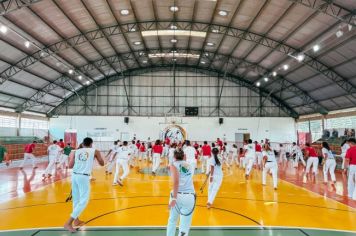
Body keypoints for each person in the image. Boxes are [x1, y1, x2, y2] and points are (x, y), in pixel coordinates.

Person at [63, 137, 104, 233]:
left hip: (74, 176)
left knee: (76, 200)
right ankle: (68, 223)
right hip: (83, 177)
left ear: (83, 143)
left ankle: (76, 220)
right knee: (84, 201)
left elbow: (70, 166)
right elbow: (102, 164)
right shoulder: (95, 151)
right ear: (91, 143)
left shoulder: (76, 151)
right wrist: (97, 157)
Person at [166, 148, 195, 236]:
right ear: (184, 156)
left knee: (172, 220)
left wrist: (174, 198)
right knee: (184, 226)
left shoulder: (173, 165)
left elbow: (176, 182)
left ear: (174, 156)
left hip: (177, 196)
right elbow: (182, 164)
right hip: (189, 197)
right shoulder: (189, 165)